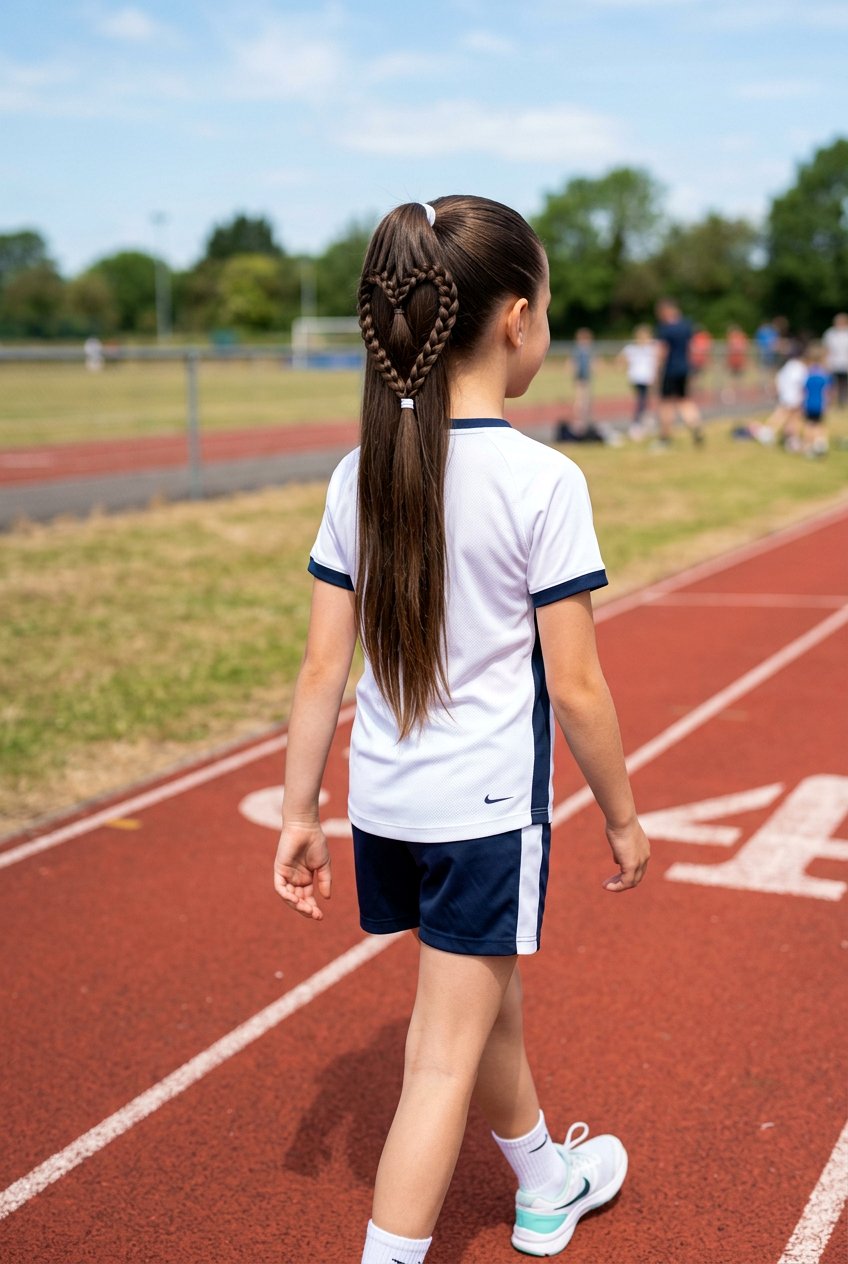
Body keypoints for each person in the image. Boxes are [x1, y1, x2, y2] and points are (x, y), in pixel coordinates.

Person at [273, 196, 650, 1263]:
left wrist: (300, 813)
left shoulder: (361, 471)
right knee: (436, 1062)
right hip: (480, 810)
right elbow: (575, 687)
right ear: (515, 319)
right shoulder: (542, 478)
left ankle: (545, 1182)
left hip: (384, 805)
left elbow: (318, 669)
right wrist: (622, 816)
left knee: (486, 1005)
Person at [654, 298, 704, 447]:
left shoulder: (665, 329)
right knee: (684, 401)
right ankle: (696, 427)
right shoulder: (686, 326)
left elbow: (663, 351)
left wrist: (657, 371)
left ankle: (665, 438)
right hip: (684, 368)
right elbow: (692, 348)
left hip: (670, 370)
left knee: (666, 404)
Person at [618, 323, 658, 435]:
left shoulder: (652, 347)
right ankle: (637, 424)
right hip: (638, 378)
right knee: (641, 401)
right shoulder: (632, 348)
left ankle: (646, 421)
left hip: (648, 378)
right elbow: (621, 360)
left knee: (646, 401)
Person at [766, 342, 807, 449]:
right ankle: (770, 433)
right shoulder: (799, 367)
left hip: (786, 395)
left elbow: (779, 379)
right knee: (792, 418)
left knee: (785, 416)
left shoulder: (788, 366)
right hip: (794, 396)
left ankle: (787, 438)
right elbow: (802, 383)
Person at [801, 343, 831, 456]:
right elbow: (827, 392)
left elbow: (804, 389)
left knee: (809, 425)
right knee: (819, 424)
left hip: (808, 403)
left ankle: (807, 446)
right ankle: (820, 444)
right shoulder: (824, 374)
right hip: (820, 404)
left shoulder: (808, 372)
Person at [570, 327, 594, 432]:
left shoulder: (588, 350)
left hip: (586, 377)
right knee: (580, 399)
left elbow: (592, 362)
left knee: (586, 398)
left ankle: (584, 419)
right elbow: (573, 362)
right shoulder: (578, 350)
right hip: (580, 377)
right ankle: (578, 420)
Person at [822, 312, 848, 409]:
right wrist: (825, 361)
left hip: (845, 363)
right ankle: (831, 402)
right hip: (833, 363)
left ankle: (842, 403)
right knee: (831, 384)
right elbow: (826, 349)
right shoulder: (830, 333)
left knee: (843, 384)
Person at [723, 324, 749, 404]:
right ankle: (730, 393)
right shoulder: (731, 337)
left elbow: (744, 347)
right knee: (731, 378)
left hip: (739, 361)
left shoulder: (741, 337)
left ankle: (739, 393)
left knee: (740, 378)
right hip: (732, 361)